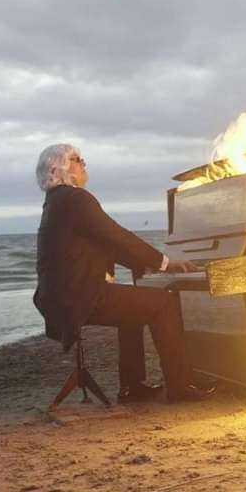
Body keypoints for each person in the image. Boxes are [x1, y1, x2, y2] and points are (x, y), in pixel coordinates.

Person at [32, 143, 215, 403]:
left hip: (59, 297)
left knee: (133, 311)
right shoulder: (76, 198)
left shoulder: (56, 201)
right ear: (58, 167)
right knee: (164, 303)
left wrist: (148, 265)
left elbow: (107, 246)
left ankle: (132, 387)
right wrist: (165, 263)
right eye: (76, 159)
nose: (84, 163)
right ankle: (180, 386)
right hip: (79, 296)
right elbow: (117, 236)